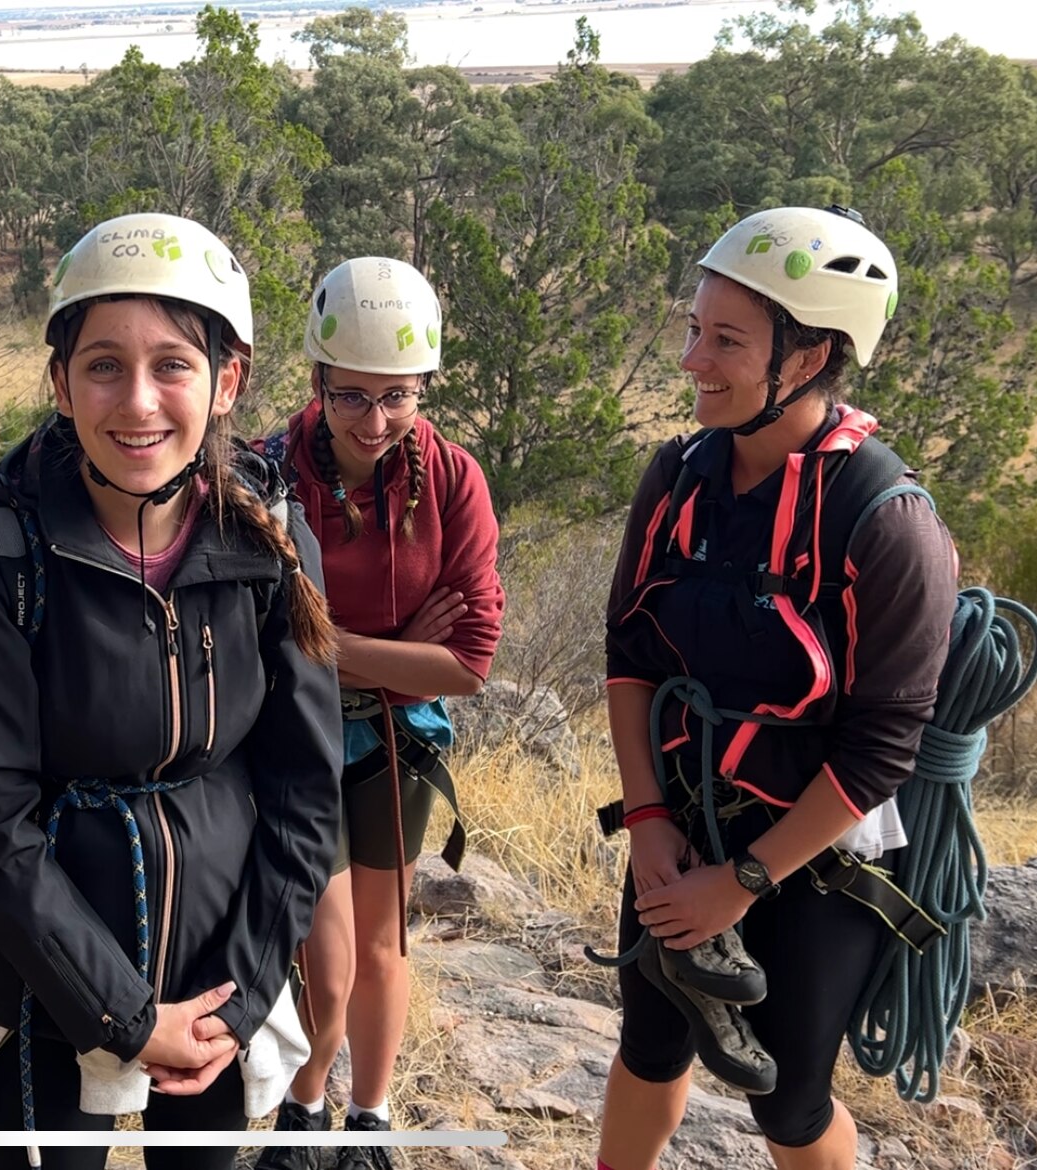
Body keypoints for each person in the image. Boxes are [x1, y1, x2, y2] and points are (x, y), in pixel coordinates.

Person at [0, 211, 344, 1170]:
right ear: (60, 381)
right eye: (102, 365)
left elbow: (305, 795)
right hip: (36, 986)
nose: (137, 402)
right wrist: (124, 1018)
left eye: (172, 364)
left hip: (219, 976)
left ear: (228, 382)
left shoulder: (269, 551)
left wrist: (244, 992)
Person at [589, 204, 958, 1170]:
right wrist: (649, 819)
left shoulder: (888, 522)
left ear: (808, 357)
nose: (692, 359)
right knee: (649, 1042)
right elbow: (631, 654)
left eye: (726, 340)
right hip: (681, 820)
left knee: (789, 1100)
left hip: (817, 852)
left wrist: (745, 881)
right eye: (693, 329)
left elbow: (881, 747)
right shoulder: (676, 478)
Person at [252, 257, 505, 1170]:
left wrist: (333, 642)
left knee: (382, 939)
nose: (373, 422)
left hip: (395, 739)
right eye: (352, 396)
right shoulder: (268, 474)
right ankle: (304, 1100)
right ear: (318, 380)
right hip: (301, 733)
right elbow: (259, 634)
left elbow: (469, 663)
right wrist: (398, 647)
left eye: (396, 397)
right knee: (324, 954)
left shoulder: (450, 479)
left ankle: (367, 1115)